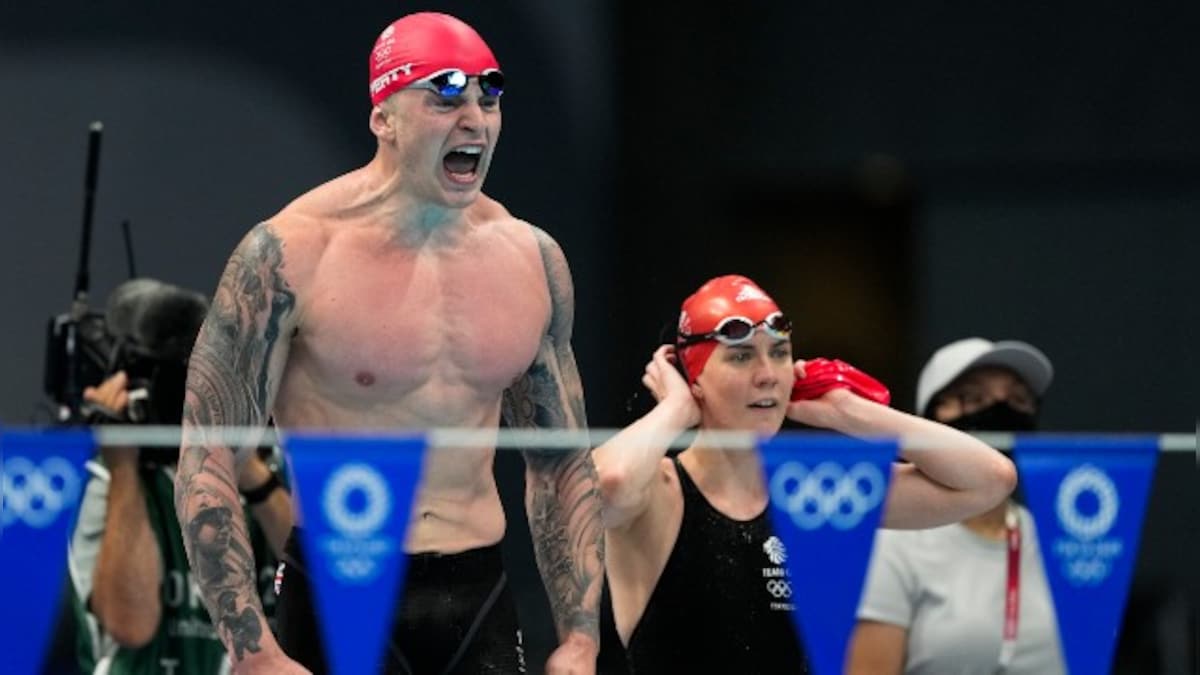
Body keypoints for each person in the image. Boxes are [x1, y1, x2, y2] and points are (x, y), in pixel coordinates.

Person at [173, 11, 602, 675]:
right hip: (335, 591)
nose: (475, 119)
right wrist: (252, 649)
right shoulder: (289, 256)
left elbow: (560, 463)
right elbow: (206, 462)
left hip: (476, 597)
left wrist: (579, 635)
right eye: (445, 97)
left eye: (489, 97)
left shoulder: (531, 260)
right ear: (384, 117)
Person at [591, 276, 1017, 673]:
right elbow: (603, 487)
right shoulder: (660, 491)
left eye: (779, 353)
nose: (767, 375)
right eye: (741, 357)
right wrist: (675, 410)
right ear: (694, 376)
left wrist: (851, 414)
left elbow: (990, 479)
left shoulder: (813, 496)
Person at [68, 278, 292, 675]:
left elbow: (329, 590)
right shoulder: (103, 477)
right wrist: (122, 464)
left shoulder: (253, 484)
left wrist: (243, 463)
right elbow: (130, 626)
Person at [847, 337, 1066, 674]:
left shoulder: (1058, 541)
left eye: (1019, 399)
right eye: (972, 398)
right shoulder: (893, 543)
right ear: (930, 421)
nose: (1001, 412)